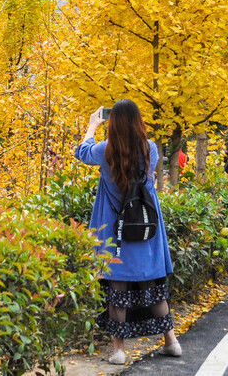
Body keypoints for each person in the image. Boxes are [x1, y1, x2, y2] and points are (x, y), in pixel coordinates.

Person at [75, 100, 182, 365]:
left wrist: (91, 125)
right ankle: (171, 341)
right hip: (145, 228)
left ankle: (119, 351)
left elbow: (81, 152)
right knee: (151, 284)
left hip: (116, 231)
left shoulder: (104, 151)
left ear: (113, 122)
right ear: (138, 121)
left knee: (118, 286)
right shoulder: (150, 149)